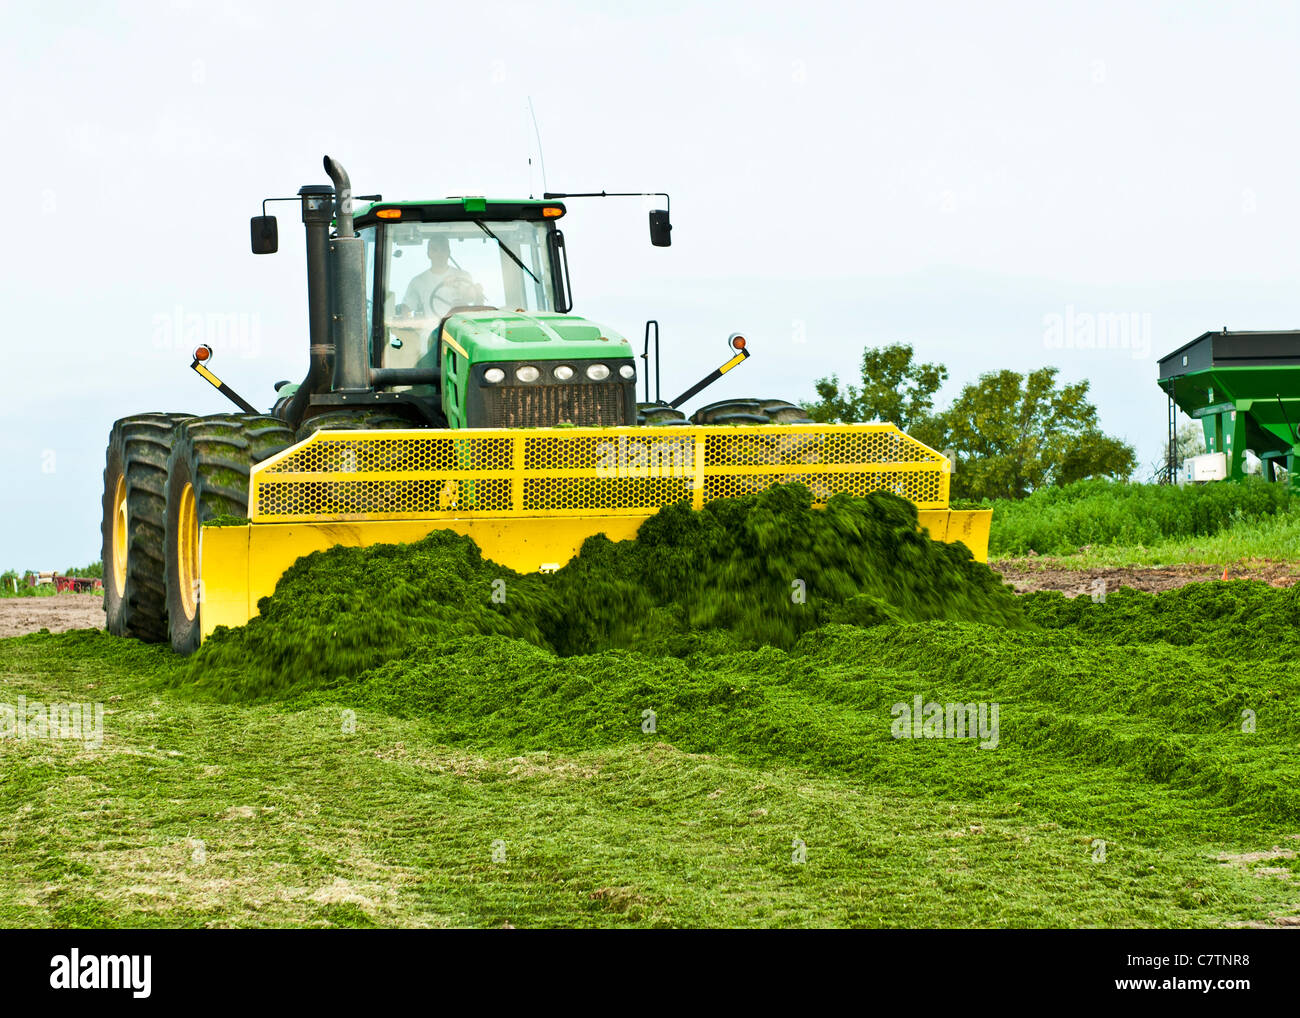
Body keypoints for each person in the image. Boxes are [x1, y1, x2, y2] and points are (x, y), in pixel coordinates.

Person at [401, 235, 484, 317]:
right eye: (434, 250)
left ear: (449, 252)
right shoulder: (418, 282)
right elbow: (407, 307)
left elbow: (471, 298)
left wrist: (472, 291)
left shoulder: (463, 276)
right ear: (428, 254)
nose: (439, 254)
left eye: (443, 250)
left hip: (458, 328)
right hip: (429, 329)